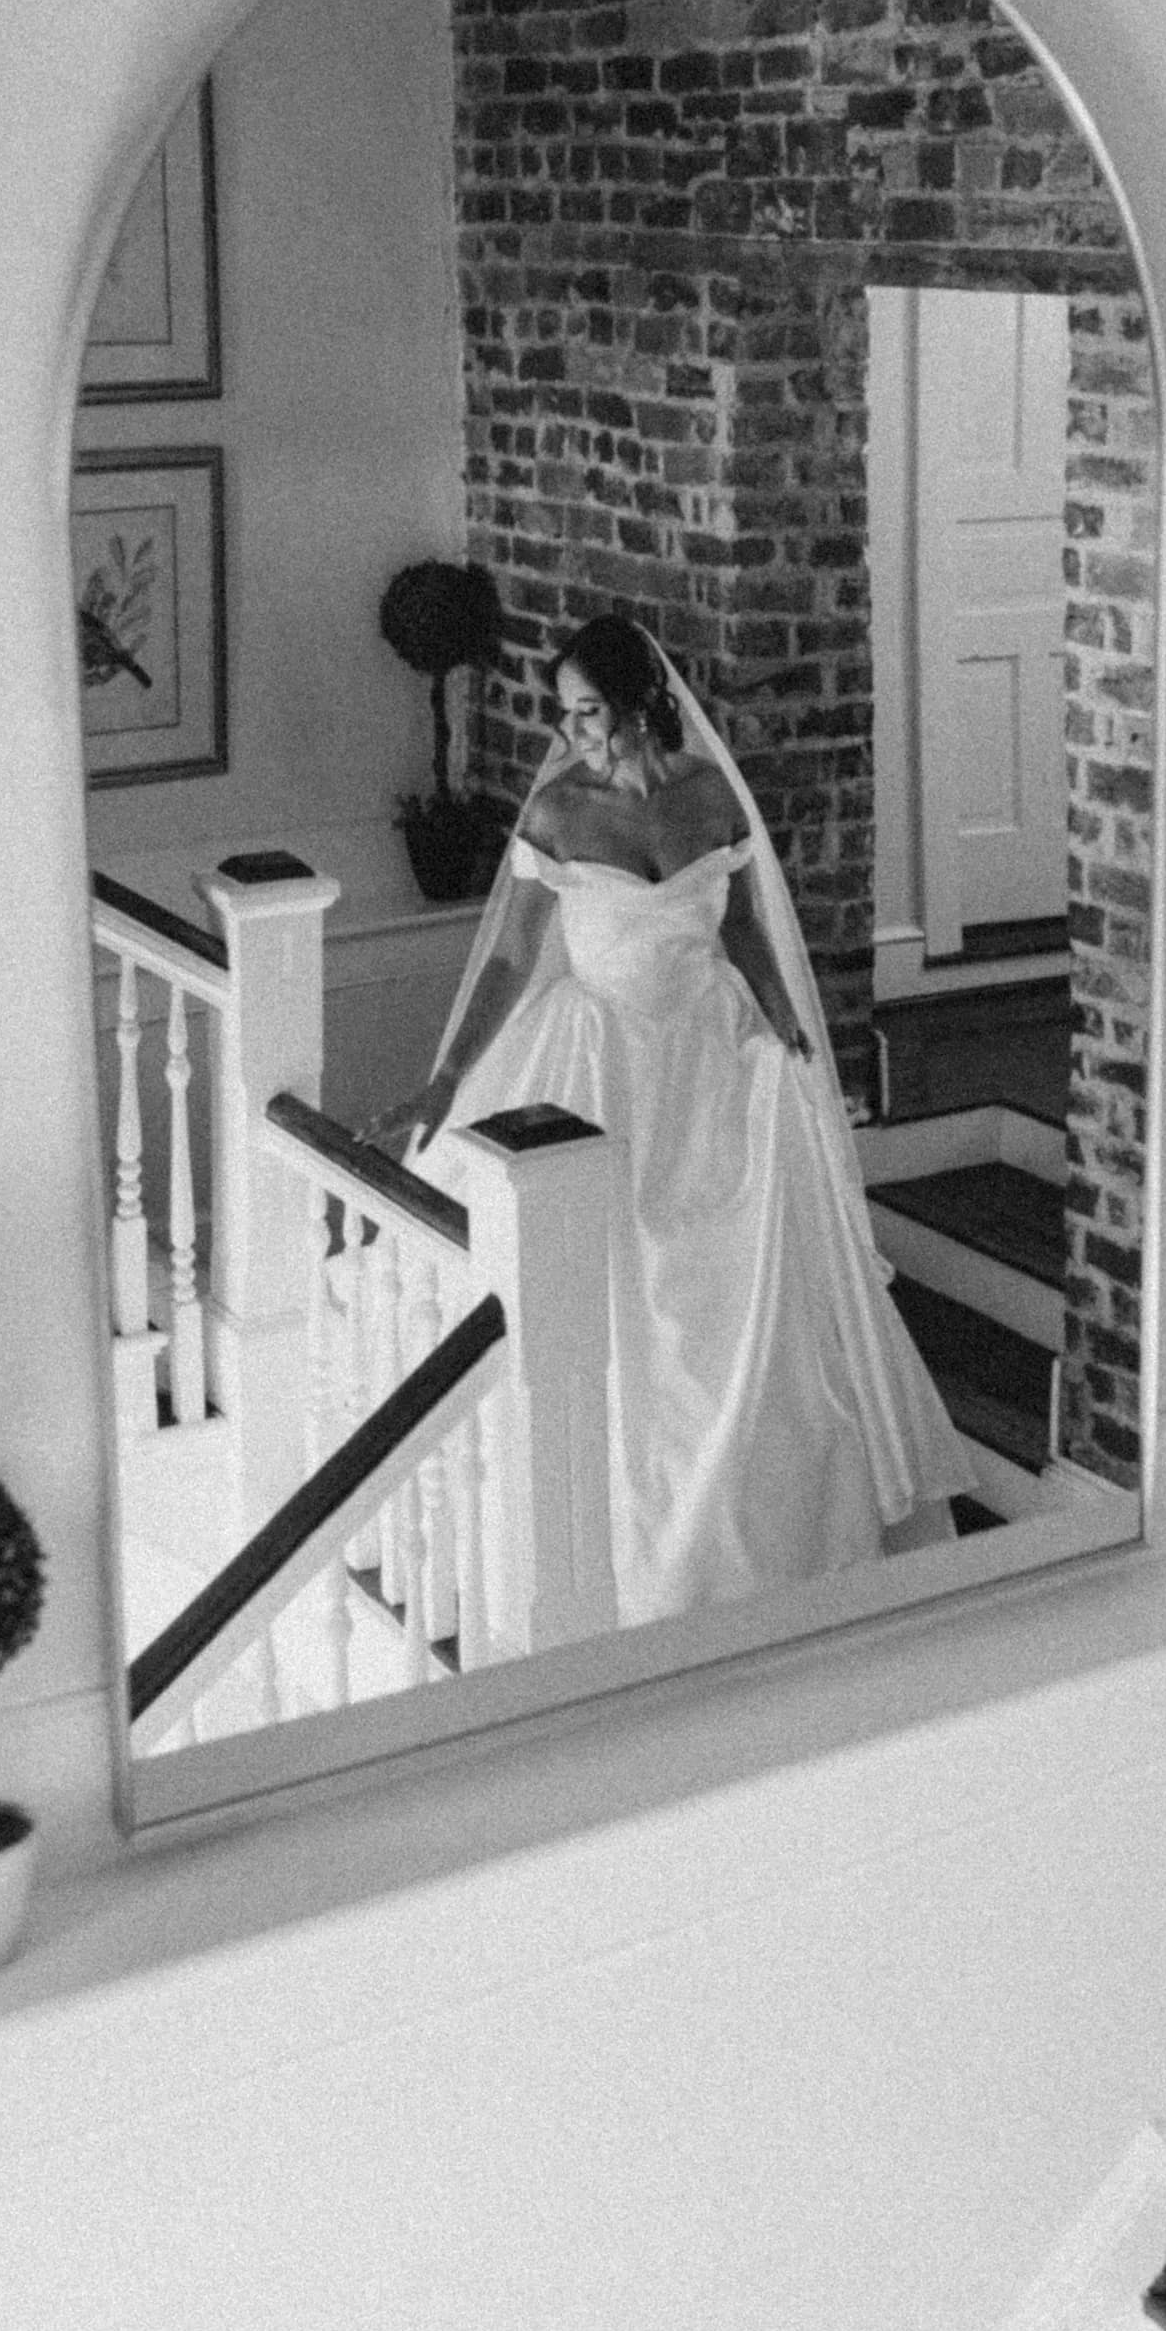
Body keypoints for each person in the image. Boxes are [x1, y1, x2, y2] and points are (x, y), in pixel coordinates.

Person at [369, 613, 969, 1627]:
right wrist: (442, 1078)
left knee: (743, 1296)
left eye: (590, 712)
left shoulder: (708, 798)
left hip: (709, 1063)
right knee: (623, 1298)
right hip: (597, 1068)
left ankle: (766, 1531)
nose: (576, 736)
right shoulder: (558, 814)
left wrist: (783, 1020)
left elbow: (737, 927)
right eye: (564, 717)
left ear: (642, 704)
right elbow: (515, 958)